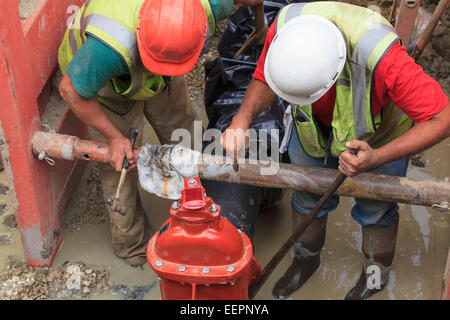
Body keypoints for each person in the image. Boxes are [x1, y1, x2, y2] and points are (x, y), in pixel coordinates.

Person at [220, 1, 449, 299]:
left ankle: (374, 274)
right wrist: (241, 119)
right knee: (305, 195)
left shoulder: (383, 55)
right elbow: (265, 76)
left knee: (376, 210)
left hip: (378, 137)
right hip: (312, 129)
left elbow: (442, 120)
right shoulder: (289, 26)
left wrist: (377, 156)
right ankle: (306, 260)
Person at [57, 0, 261, 267]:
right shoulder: (107, 49)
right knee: (121, 163)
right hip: (105, 82)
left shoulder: (204, 8)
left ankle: (198, 205)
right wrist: (115, 138)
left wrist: (261, 22)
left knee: (187, 132)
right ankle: (132, 246)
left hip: (161, 67)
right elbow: (71, 90)